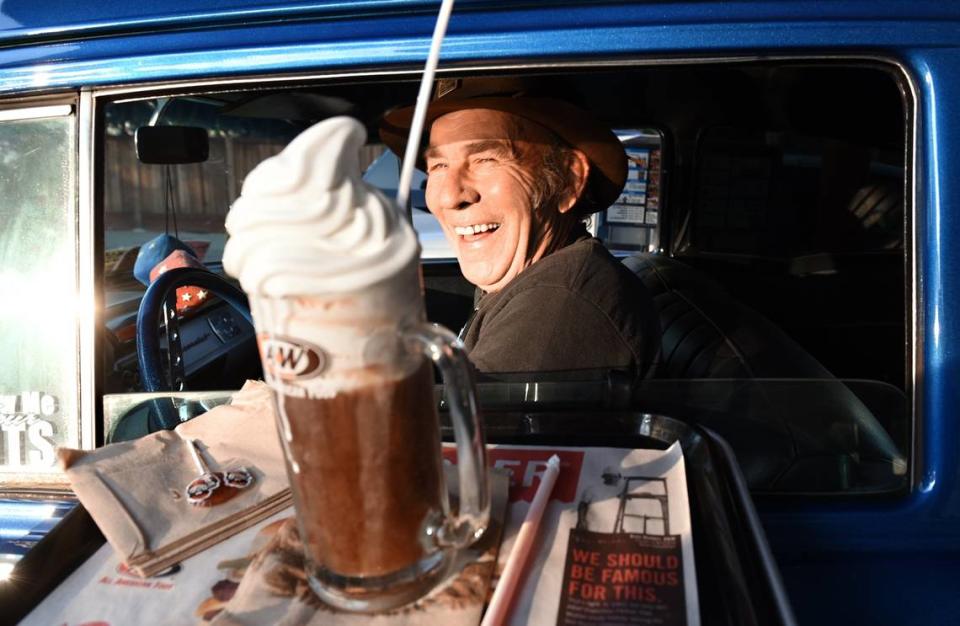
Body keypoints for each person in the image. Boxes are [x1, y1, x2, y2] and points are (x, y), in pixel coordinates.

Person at [381, 78, 661, 381]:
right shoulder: (534, 281)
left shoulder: (556, 306)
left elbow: (473, 428)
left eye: (485, 159)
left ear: (569, 180)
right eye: (438, 166)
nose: (449, 196)